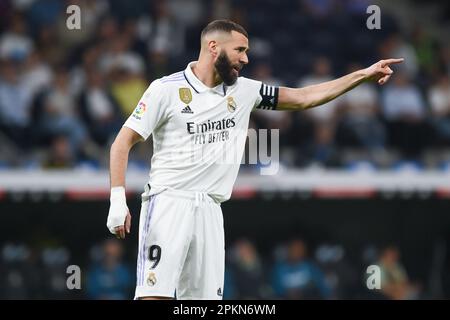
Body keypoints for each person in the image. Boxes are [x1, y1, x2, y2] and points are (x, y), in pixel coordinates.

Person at [106, 19, 403, 300]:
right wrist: (118, 198)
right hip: (168, 203)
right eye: (240, 50)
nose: (246, 59)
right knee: (154, 295)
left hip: (211, 209)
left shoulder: (245, 90)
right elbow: (122, 143)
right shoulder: (165, 89)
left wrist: (363, 75)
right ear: (213, 47)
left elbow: (304, 98)